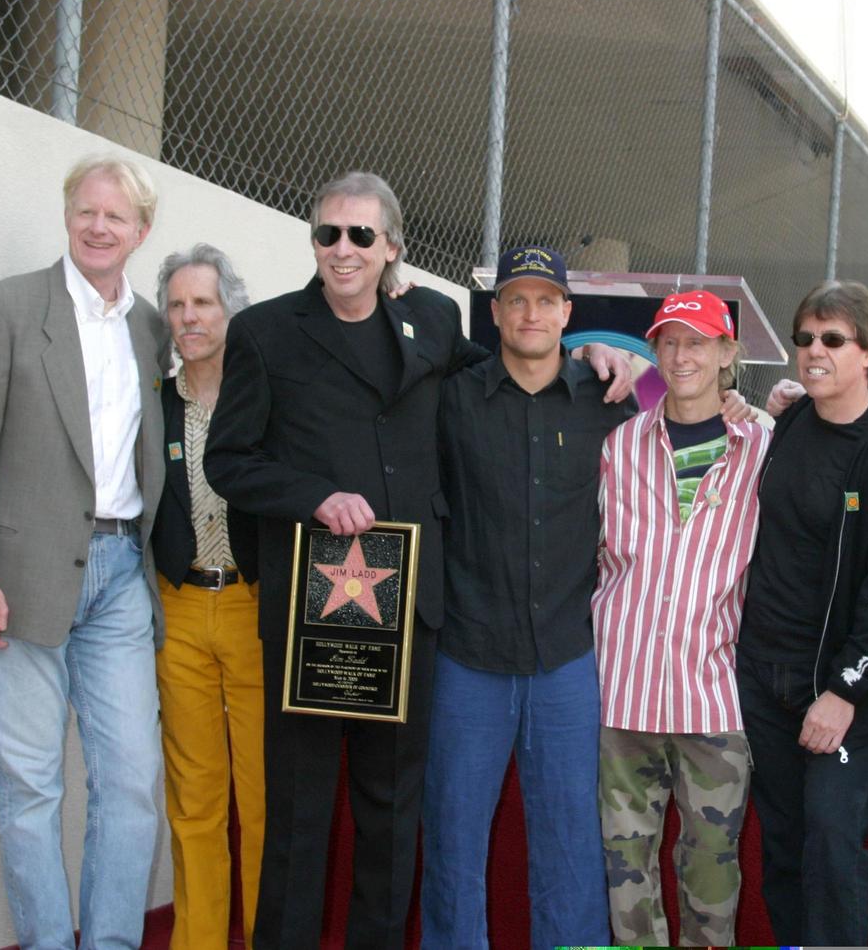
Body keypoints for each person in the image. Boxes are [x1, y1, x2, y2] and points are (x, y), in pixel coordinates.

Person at [203, 172, 630, 950]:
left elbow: (509, 359)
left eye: (361, 235)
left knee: (392, 817)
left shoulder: (429, 321)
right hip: (313, 605)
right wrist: (312, 496)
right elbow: (227, 462)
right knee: (299, 815)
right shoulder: (266, 331)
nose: (344, 249)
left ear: (392, 248)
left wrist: (588, 351)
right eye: (329, 233)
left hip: (406, 608)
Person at [0, 155, 167, 948]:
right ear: (68, 215)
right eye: (86, 210)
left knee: (129, 784)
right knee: (29, 785)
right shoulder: (5, 309)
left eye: (116, 216)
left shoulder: (150, 327)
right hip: (19, 582)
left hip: (120, 581)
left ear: (141, 232)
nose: (98, 226)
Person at [421, 245, 634, 949]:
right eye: (516, 299)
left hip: (568, 662)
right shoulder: (454, 399)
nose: (531, 312)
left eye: (546, 300)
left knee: (571, 845)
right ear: (495, 313)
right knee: (453, 839)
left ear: (567, 315)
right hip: (469, 656)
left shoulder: (610, 405)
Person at [738, 279, 868, 946]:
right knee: (785, 844)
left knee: (829, 845)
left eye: (831, 340)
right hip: (764, 674)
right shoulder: (790, 419)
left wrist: (845, 691)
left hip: (837, 689)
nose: (813, 351)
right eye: (804, 338)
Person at [593, 290, 769, 946]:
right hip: (624, 693)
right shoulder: (616, 446)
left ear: (727, 353)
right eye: (668, 340)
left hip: (713, 701)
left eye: (696, 341)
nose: (679, 354)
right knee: (625, 875)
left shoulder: (762, 447)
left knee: (712, 875)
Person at [152, 244, 263, 949]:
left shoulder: (266, 398)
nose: (189, 317)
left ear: (231, 310)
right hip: (181, 609)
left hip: (255, 608)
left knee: (260, 798)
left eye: (203, 303)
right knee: (194, 800)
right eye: (177, 305)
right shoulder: (154, 402)